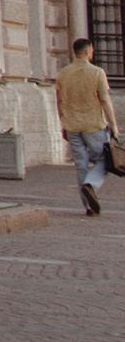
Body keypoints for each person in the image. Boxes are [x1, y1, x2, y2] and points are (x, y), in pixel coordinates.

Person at [56, 35, 118, 220]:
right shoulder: (97, 72)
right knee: (104, 161)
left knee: (81, 164)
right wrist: (113, 125)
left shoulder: (63, 74)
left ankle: (89, 206)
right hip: (94, 125)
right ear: (88, 52)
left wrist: (63, 124)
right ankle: (91, 185)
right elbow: (104, 100)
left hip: (72, 125)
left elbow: (59, 102)